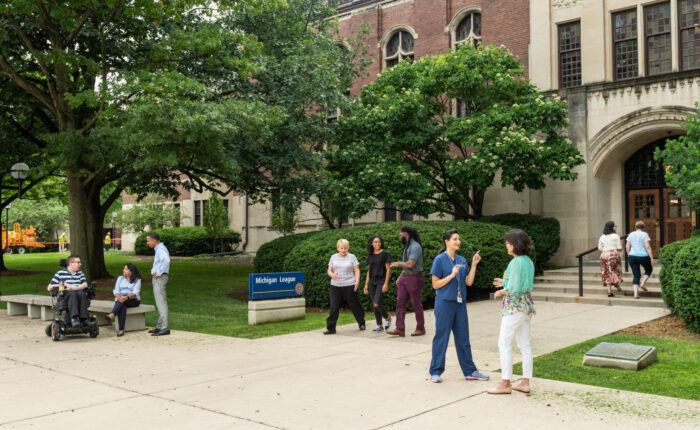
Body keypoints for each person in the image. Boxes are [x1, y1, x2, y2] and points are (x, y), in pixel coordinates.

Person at [428, 229, 489, 383]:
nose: (458, 241)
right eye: (455, 239)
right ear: (446, 241)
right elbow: (435, 284)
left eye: (459, 239)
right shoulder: (439, 260)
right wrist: (451, 275)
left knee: (463, 338)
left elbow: (468, 282)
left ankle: (470, 371)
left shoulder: (462, 260)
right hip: (444, 304)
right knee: (442, 337)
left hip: (460, 304)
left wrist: (474, 264)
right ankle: (436, 371)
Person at [488, 229, 536, 395]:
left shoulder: (515, 262)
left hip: (514, 308)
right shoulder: (527, 261)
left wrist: (501, 291)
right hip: (526, 307)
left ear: (516, 244)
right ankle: (525, 381)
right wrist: (505, 282)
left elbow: (514, 288)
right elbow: (522, 283)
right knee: (525, 344)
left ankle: (505, 383)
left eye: (508, 242)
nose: (506, 245)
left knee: (504, 343)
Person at [387, 226, 425, 337]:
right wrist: (401, 275)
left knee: (416, 303)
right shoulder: (407, 246)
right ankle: (400, 328)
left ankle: (420, 328)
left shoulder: (415, 247)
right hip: (405, 277)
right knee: (400, 303)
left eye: (401, 235)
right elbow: (406, 266)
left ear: (406, 234)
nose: (400, 237)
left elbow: (410, 264)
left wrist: (398, 264)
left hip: (415, 278)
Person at [325, 239, 366, 334]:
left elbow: (357, 270)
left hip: (350, 284)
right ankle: (331, 328)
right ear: (338, 248)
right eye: (341, 248)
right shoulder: (333, 257)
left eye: (345, 248)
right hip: (335, 286)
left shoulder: (352, 257)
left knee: (355, 305)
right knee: (334, 306)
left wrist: (357, 281)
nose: (343, 250)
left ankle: (361, 323)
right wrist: (332, 275)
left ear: (348, 248)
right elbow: (329, 270)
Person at [46, 255, 89, 327]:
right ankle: (74, 318)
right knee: (72, 294)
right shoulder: (60, 273)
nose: (80, 264)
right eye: (78, 262)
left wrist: (74, 288)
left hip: (78, 294)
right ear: (71, 263)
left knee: (81, 293)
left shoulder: (80, 273)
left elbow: (85, 284)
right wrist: (65, 285)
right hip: (64, 296)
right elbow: (49, 287)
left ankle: (84, 319)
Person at [363, 235, 392, 332]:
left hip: (381, 280)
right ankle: (379, 325)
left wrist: (386, 283)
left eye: (379, 242)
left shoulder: (384, 254)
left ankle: (387, 318)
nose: (377, 244)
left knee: (376, 303)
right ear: (371, 244)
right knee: (374, 304)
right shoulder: (370, 255)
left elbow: (388, 269)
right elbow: (368, 270)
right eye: (375, 242)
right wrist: (366, 284)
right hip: (372, 281)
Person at [105, 263, 142, 337]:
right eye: (124, 268)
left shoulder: (137, 280)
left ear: (131, 271)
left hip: (133, 300)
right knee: (122, 306)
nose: (123, 270)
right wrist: (118, 296)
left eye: (125, 269)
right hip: (121, 299)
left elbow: (135, 293)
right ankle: (121, 330)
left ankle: (112, 313)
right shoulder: (120, 278)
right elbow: (116, 290)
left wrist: (125, 297)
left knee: (122, 301)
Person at [147, 232, 170, 336]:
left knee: (161, 302)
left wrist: (159, 273)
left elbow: (166, 261)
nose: (148, 243)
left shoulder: (161, 249)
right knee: (160, 302)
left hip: (160, 278)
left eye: (148, 241)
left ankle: (165, 328)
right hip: (158, 278)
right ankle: (160, 326)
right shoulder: (159, 249)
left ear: (154, 240)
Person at [626, 221, 654, 299]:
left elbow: (627, 246)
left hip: (632, 256)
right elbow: (648, 247)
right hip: (643, 256)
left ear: (635, 227)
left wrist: (629, 254)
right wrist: (651, 258)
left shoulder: (631, 234)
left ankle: (635, 293)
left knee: (636, 275)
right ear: (643, 227)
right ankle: (643, 283)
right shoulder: (645, 234)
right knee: (649, 269)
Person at [598, 221, 623, 297]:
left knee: (606, 272)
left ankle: (609, 291)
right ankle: (616, 283)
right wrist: (619, 250)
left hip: (604, 255)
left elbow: (600, 248)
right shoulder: (616, 236)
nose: (615, 227)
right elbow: (619, 247)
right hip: (613, 255)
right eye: (615, 226)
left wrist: (606, 250)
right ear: (612, 227)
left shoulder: (602, 236)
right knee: (615, 270)